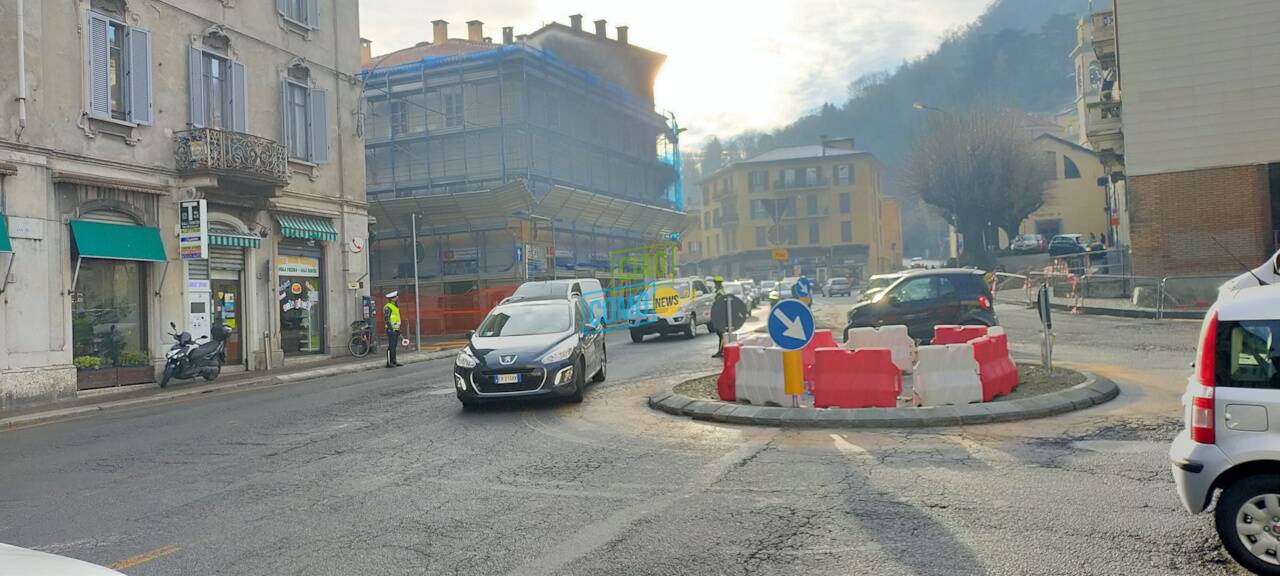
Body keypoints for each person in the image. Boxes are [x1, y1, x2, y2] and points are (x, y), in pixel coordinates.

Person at [383, 291, 403, 368]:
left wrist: (398, 328)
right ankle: (388, 363)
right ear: (391, 299)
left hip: (395, 328)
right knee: (391, 346)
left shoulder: (395, 306)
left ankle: (394, 361)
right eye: (395, 297)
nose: (397, 298)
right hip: (390, 329)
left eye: (397, 296)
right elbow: (387, 319)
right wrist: (391, 328)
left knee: (394, 346)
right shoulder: (388, 307)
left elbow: (396, 319)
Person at [711, 276, 727, 359]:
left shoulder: (720, 293)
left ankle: (721, 351)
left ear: (717, 284)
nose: (714, 285)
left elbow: (719, 305)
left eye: (715, 283)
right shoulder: (720, 291)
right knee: (721, 335)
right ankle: (721, 351)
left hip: (720, 316)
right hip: (722, 316)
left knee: (721, 335)